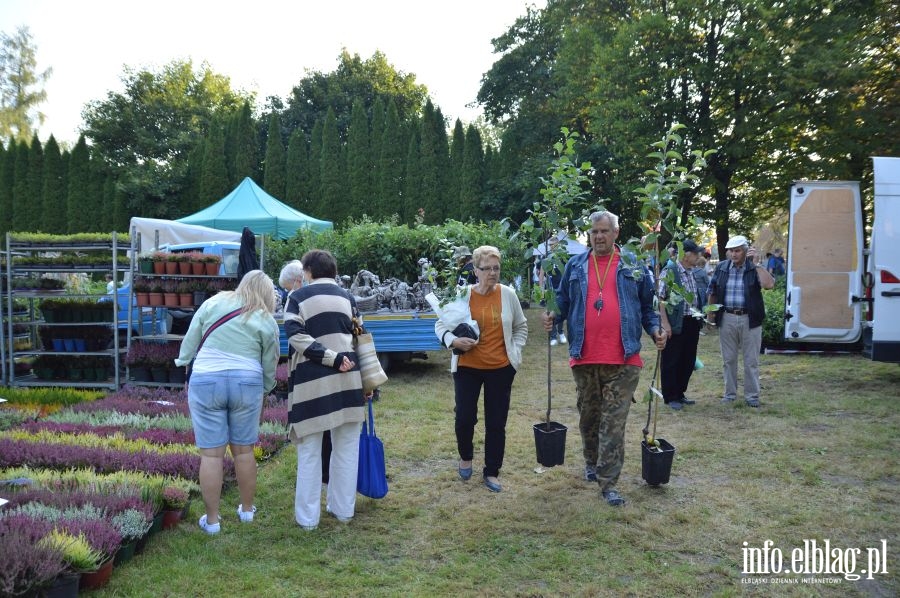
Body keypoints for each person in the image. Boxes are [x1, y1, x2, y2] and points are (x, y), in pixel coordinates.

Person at [542, 211, 666, 506]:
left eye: (604, 231)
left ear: (616, 233)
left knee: (613, 422)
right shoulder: (575, 265)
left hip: (623, 357)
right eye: (594, 232)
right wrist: (553, 315)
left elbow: (648, 307)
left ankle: (608, 482)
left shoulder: (633, 265)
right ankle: (591, 461)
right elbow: (562, 300)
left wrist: (655, 330)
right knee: (589, 417)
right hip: (584, 356)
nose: (598, 236)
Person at [174, 270, 280, 534]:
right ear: (267, 294)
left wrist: (183, 360)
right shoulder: (266, 319)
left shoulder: (213, 302)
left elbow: (191, 337)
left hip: (207, 379)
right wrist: (266, 389)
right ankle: (246, 511)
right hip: (247, 382)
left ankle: (212, 521)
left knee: (211, 455)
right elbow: (270, 361)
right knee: (243, 452)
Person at [284, 249, 367, 530]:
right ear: (333, 271)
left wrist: (331, 358)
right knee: (346, 448)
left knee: (309, 451)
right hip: (350, 381)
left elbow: (296, 337)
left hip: (312, 383)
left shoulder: (296, 298)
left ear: (307, 272)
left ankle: (308, 520)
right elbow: (361, 339)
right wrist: (364, 378)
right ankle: (343, 510)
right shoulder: (349, 298)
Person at [435, 245, 528, 493]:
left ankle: (492, 471)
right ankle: (466, 457)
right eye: (487, 268)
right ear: (475, 270)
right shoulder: (462, 294)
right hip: (468, 367)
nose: (493, 273)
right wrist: (452, 341)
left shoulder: (508, 294)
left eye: (496, 268)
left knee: (496, 422)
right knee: (465, 417)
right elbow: (440, 325)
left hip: (500, 368)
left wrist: (514, 355)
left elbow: (521, 326)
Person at [706, 235, 775, 408]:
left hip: (750, 318)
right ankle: (729, 394)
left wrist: (757, 263)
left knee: (751, 360)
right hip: (727, 317)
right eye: (731, 251)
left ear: (745, 251)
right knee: (728, 359)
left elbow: (769, 285)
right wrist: (710, 315)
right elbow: (712, 291)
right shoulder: (722, 267)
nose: (734, 254)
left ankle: (752, 396)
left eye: (737, 251)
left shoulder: (753, 268)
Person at [658, 239, 705, 410]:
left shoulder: (692, 271)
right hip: (676, 323)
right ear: (686, 255)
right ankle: (670, 396)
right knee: (672, 360)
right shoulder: (670, 271)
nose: (699, 256)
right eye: (696, 253)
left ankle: (680, 393)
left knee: (688, 359)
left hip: (692, 322)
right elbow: (660, 300)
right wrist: (665, 324)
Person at [537, 237, 566, 345]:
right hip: (550, 288)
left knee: (560, 310)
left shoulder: (562, 256)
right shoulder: (546, 257)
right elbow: (541, 274)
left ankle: (561, 332)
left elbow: (565, 272)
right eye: (550, 245)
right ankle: (553, 336)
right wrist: (541, 290)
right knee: (550, 312)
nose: (552, 247)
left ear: (558, 245)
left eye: (554, 245)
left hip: (561, 288)